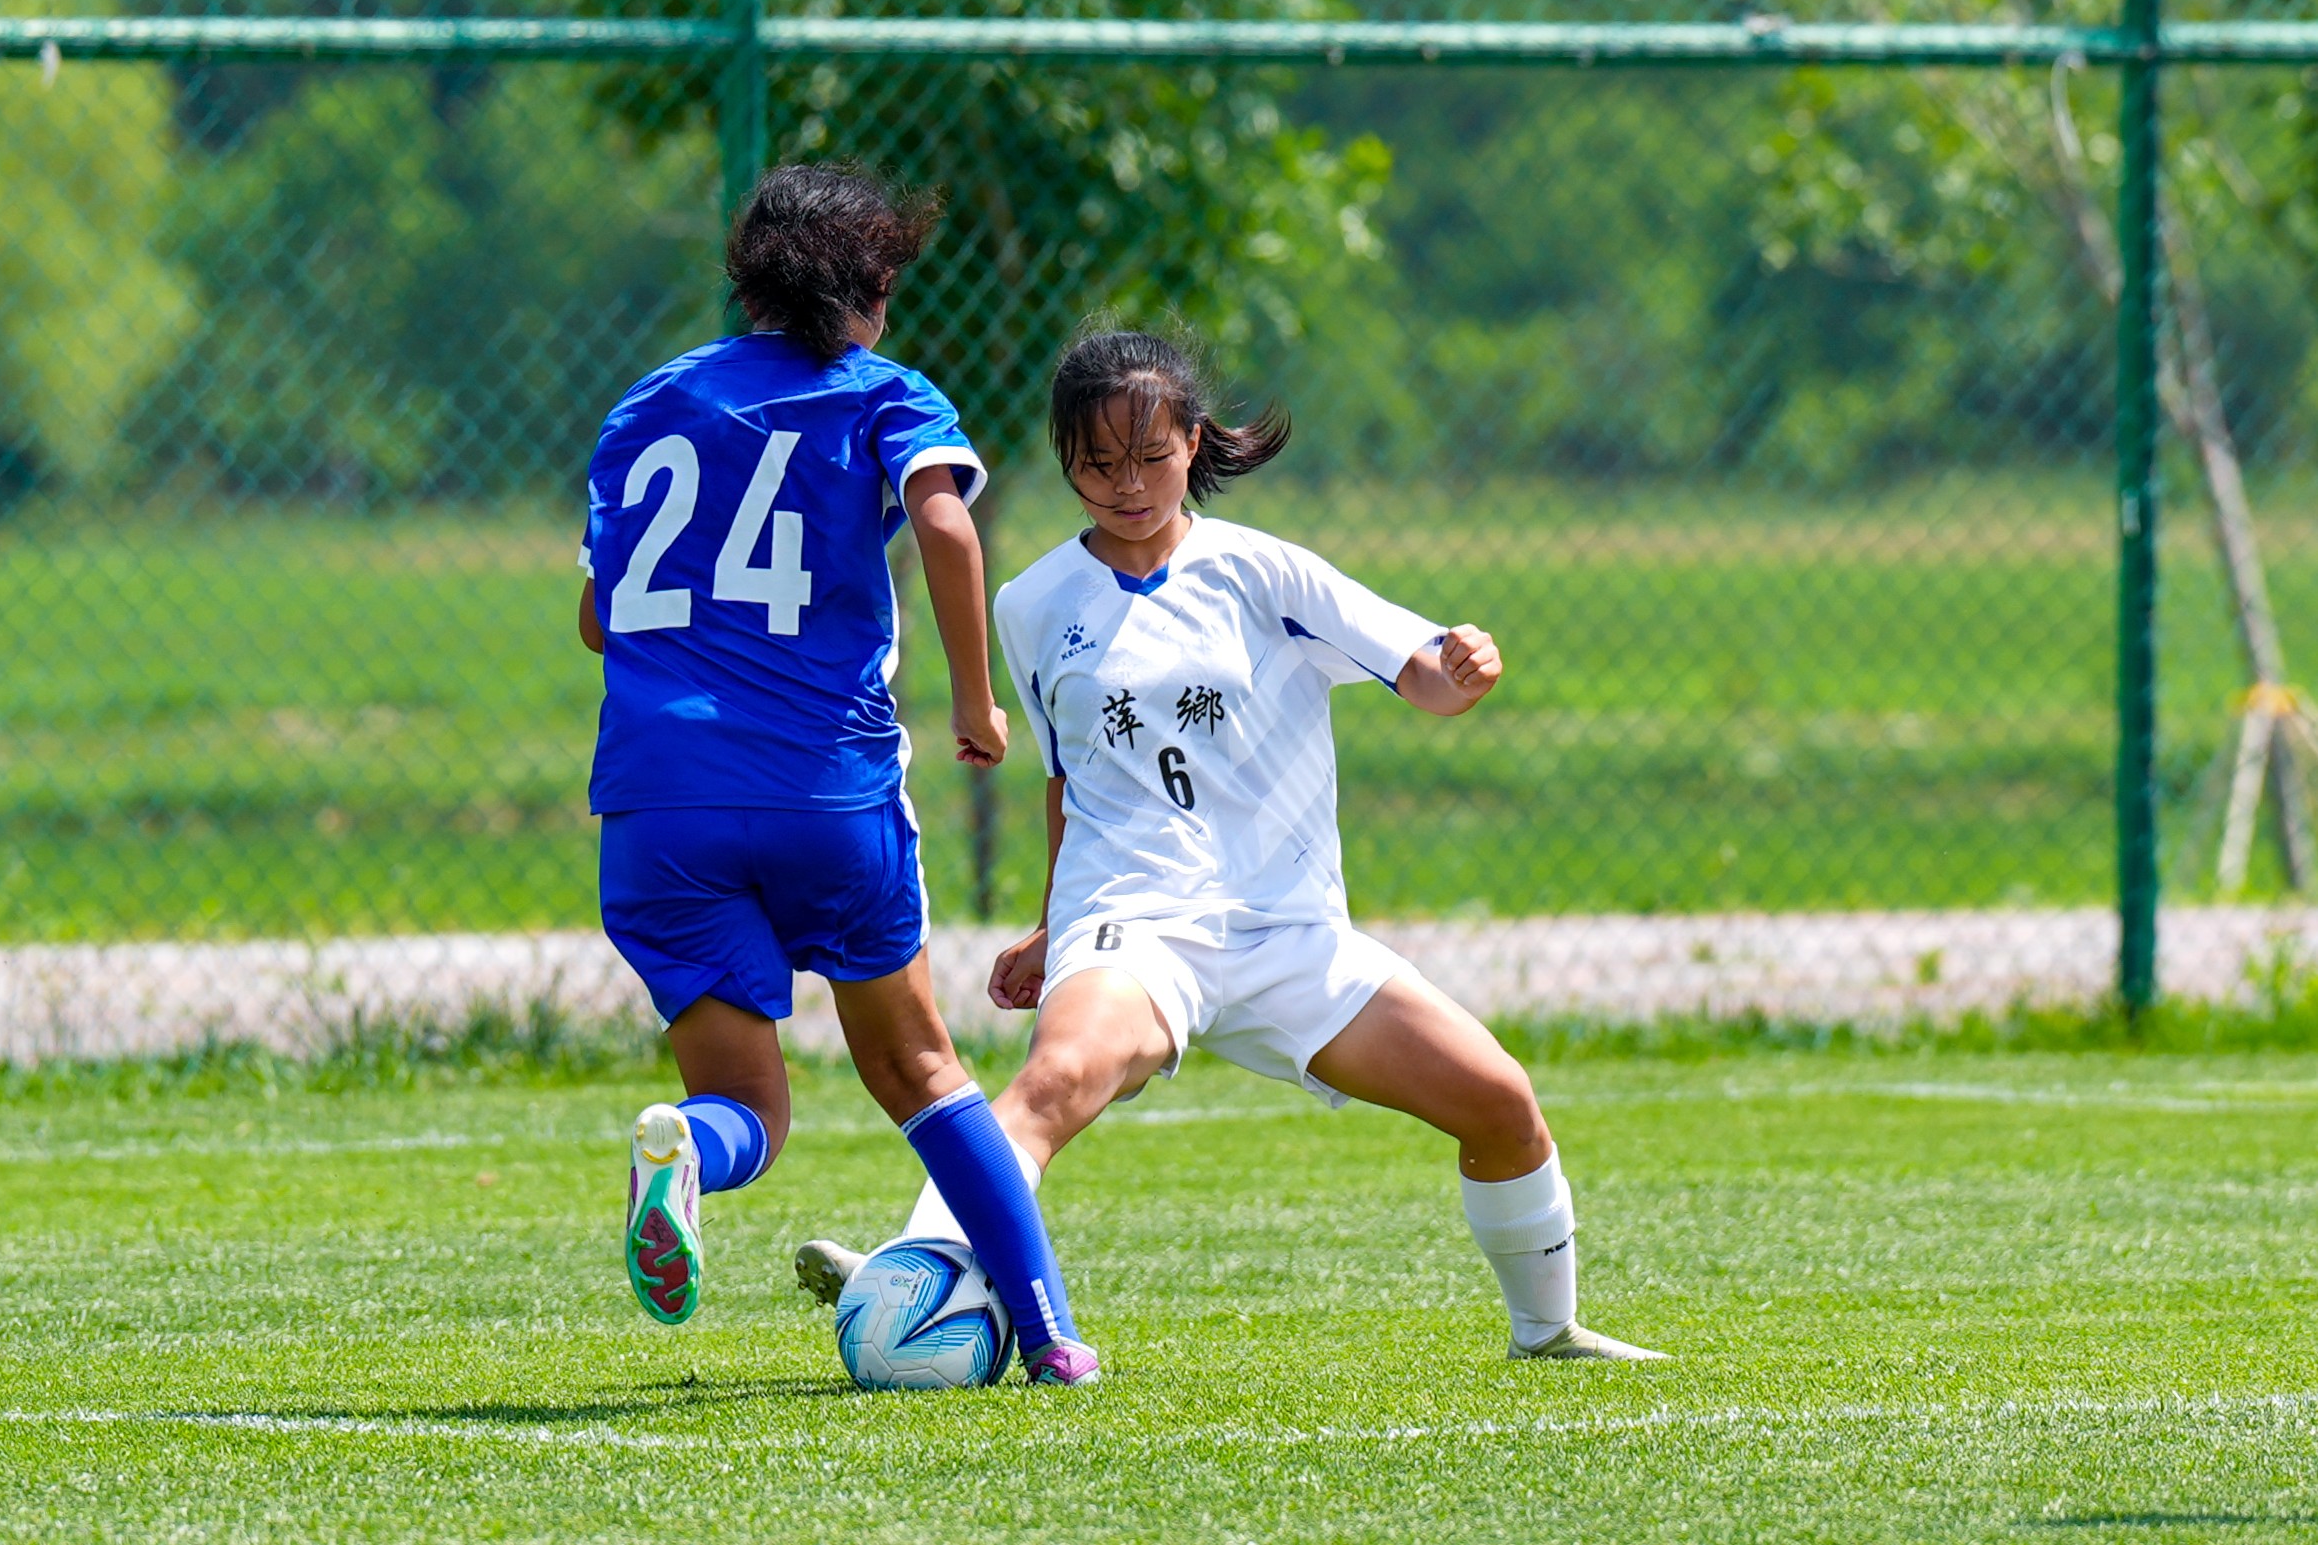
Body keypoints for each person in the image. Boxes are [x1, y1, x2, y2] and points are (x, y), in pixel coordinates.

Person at [796, 326, 1664, 1363]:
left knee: (1501, 1103)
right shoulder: (1029, 605)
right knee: (1056, 1081)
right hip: (1133, 922)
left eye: (1149, 456)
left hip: (1289, 932)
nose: (1126, 485)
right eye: (1097, 463)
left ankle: (1548, 1330)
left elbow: (1423, 675)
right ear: (1065, 459)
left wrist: (1464, 666)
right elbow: (1071, 782)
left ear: (1193, 443)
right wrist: (1053, 925)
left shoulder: (1264, 572)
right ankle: (912, 1273)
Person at [578, 163, 1099, 1386]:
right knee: (920, 1072)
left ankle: (687, 1154)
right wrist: (973, 700)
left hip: (656, 802)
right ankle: (1050, 1338)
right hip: (823, 790)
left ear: (749, 281)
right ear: (868, 289)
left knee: (746, 1105)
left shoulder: (646, 404)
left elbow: (601, 619)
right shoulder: (883, 393)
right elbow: (946, 523)